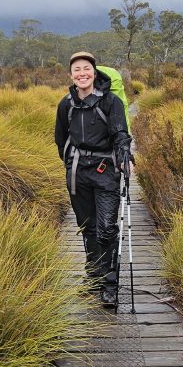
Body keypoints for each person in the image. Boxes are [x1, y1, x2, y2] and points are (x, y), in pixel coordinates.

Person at [55, 51, 132, 306]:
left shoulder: (111, 102)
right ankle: (94, 276)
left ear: (94, 71)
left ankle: (110, 284)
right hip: (78, 172)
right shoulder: (66, 104)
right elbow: (60, 138)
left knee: (107, 227)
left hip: (105, 170)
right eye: (76, 69)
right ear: (71, 75)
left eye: (86, 68)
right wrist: (69, 162)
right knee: (87, 227)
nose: (82, 73)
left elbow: (121, 133)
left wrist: (123, 155)